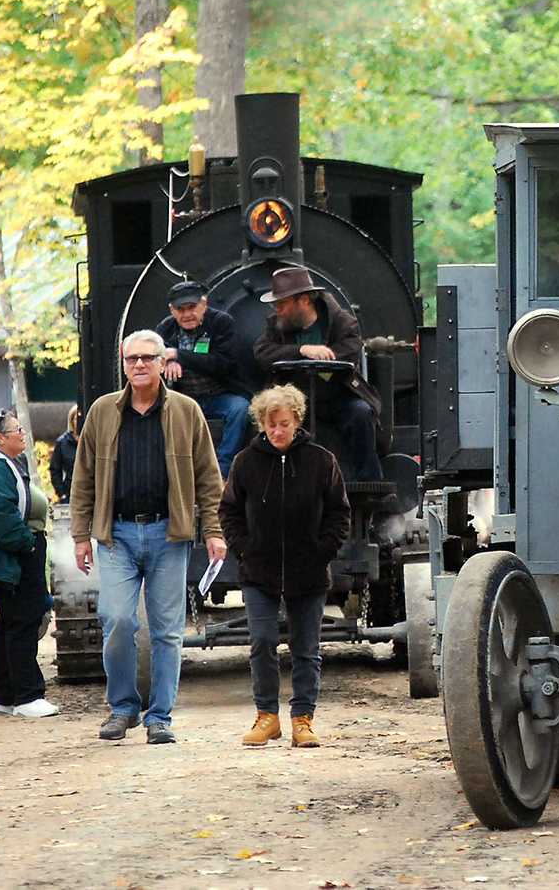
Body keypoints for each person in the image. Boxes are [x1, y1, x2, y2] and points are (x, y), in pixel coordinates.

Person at [71, 329, 226, 744]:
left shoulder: (186, 411)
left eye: (147, 358)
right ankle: (123, 708)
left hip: (168, 533)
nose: (139, 365)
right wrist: (81, 534)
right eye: (131, 359)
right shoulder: (103, 412)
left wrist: (212, 530)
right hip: (116, 534)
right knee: (118, 619)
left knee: (167, 630)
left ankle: (161, 716)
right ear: (122, 364)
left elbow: (209, 478)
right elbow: (83, 476)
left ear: (162, 363)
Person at [220, 385, 350, 748]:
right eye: (270, 425)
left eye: (284, 424)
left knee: (306, 648)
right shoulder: (246, 462)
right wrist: (243, 548)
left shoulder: (322, 460)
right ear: (261, 424)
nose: (277, 431)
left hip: (308, 571)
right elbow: (228, 510)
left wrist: (323, 551)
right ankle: (267, 717)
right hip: (258, 571)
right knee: (262, 642)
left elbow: (340, 512)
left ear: (297, 421)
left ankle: (303, 719)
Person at [0, 411, 59, 718]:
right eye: (17, 430)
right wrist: (27, 543)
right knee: (22, 621)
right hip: (14, 556)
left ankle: (3, 694)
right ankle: (27, 695)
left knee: (9, 621)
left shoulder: (3, 465)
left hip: (16, 554)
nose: (23, 433)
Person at [254, 266, 385, 482]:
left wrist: (323, 361)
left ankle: (370, 482)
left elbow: (350, 351)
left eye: (282, 304)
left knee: (360, 413)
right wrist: (302, 351)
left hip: (336, 396)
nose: (278, 309)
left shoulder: (342, 322)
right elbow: (262, 352)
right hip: (294, 401)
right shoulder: (274, 326)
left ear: (304, 301)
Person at [156, 281, 252, 478]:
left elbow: (223, 363)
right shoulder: (165, 329)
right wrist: (167, 362)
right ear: (171, 310)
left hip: (220, 395)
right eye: (180, 309)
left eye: (191, 308)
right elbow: (156, 357)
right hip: (184, 398)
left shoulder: (222, 323)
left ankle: (222, 471)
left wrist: (178, 355)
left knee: (240, 408)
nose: (186, 314)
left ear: (204, 304)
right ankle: (175, 471)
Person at [49, 405, 80, 502]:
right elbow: (55, 469)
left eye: (81, 418)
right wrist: (61, 493)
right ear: (71, 421)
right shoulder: (62, 443)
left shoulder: (92, 440)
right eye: (76, 419)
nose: (78, 422)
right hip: (69, 493)